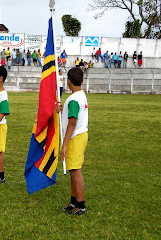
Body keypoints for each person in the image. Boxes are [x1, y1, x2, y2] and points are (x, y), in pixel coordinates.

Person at [56, 67, 88, 215]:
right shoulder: (80, 95)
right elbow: (74, 113)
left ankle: (80, 206)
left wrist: (64, 144)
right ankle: (73, 202)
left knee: (75, 171)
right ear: (81, 81)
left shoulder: (74, 99)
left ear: (68, 81)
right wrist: (64, 108)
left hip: (75, 137)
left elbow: (72, 122)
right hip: (80, 136)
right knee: (72, 170)